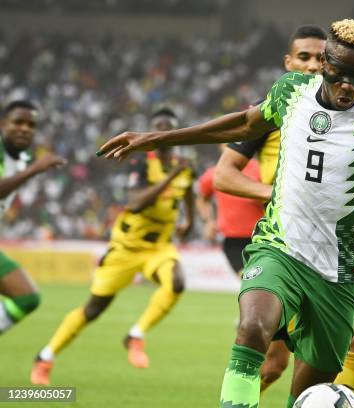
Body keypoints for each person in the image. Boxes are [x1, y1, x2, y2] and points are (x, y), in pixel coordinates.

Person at [97, 19, 354, 408]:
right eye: (340, 74)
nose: (348, 85)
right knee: (252, 329)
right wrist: (153, 139)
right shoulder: (291, 91)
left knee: (307, 394)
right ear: (325, 64)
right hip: (278, 247)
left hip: (337, 270)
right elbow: (244, 123)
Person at [214, 24, 354, 397]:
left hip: (338, 251)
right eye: (302, 57)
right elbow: (223, 176)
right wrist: (281, 192)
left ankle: (341, 400)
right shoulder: (277, 109)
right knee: (272, 361)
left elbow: (347, 185)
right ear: (288, 61)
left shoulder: (353, 112)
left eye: (319, 58)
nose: (311, 64)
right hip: (286, 245)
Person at [31, 107, 195, 385]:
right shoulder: (141, 163)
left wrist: (190, 220)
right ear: (152, 134)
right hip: (126, 248)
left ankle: (135, 336)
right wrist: (170, 177)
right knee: (94, 309)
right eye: (158, 127)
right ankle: (45, 357)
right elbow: (135, 202)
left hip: (159, 248)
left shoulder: (186, 166)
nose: (163, 133)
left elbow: (188, 189)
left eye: (169, 128)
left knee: (177, 282)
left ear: (175, 133)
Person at [0, 100, 66, 335]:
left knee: (26, 298)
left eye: (31, 124)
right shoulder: (27, 163)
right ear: (3, 124)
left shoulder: (24, 158)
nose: (25, 128)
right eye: (18, 122)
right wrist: (34, 170)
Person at [197, 144, 264, 274]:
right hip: (232, 241)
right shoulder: (215, 173)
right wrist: (208, 221)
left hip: (260, 237)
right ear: (220, 146)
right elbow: (201, 198)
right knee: (247, 278)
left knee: (259, 283)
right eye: (226, 143)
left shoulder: (259, 169)